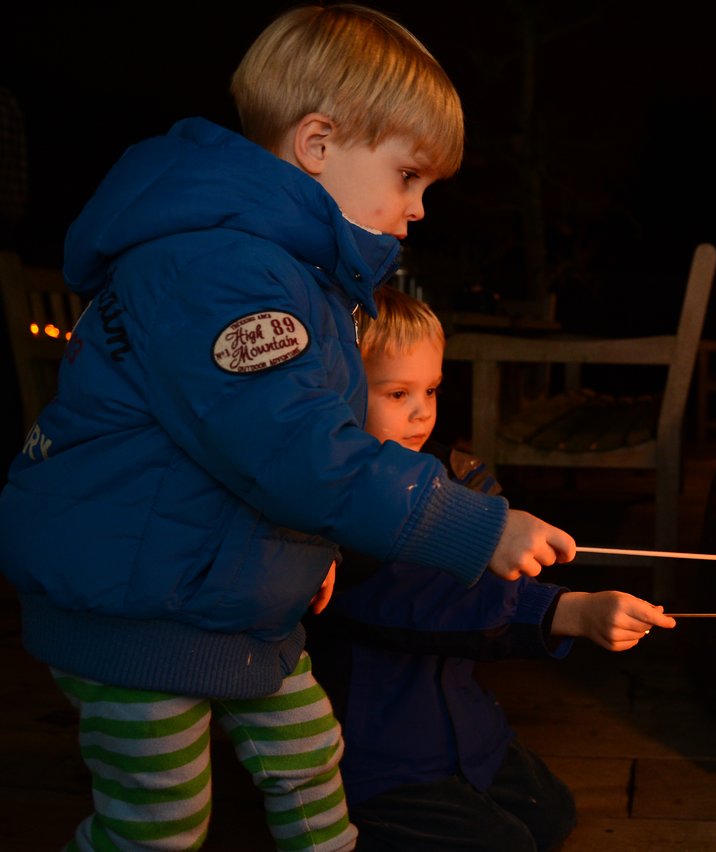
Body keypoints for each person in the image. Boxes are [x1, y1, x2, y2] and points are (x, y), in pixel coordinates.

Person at [0, 5, 574, 850]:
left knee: (311, 756)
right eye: (408, 176)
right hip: (136, 610)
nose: (416, 209)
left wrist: (303, 556)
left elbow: (242, 453)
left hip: (221, 596)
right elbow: (298, 449)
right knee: (158, 820)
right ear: (318, 144)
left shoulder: (291, 273)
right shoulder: (222, 267)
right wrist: (474, 522)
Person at [305, 284, 677, 851]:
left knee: (550, 813)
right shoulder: (339, 515)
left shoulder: (443, 478)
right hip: (380, 751)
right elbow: (425, 597)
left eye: (430, 389)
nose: (421, 410)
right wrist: (566, 612)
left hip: (467, 728)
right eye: (397, 392)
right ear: (342, 395)